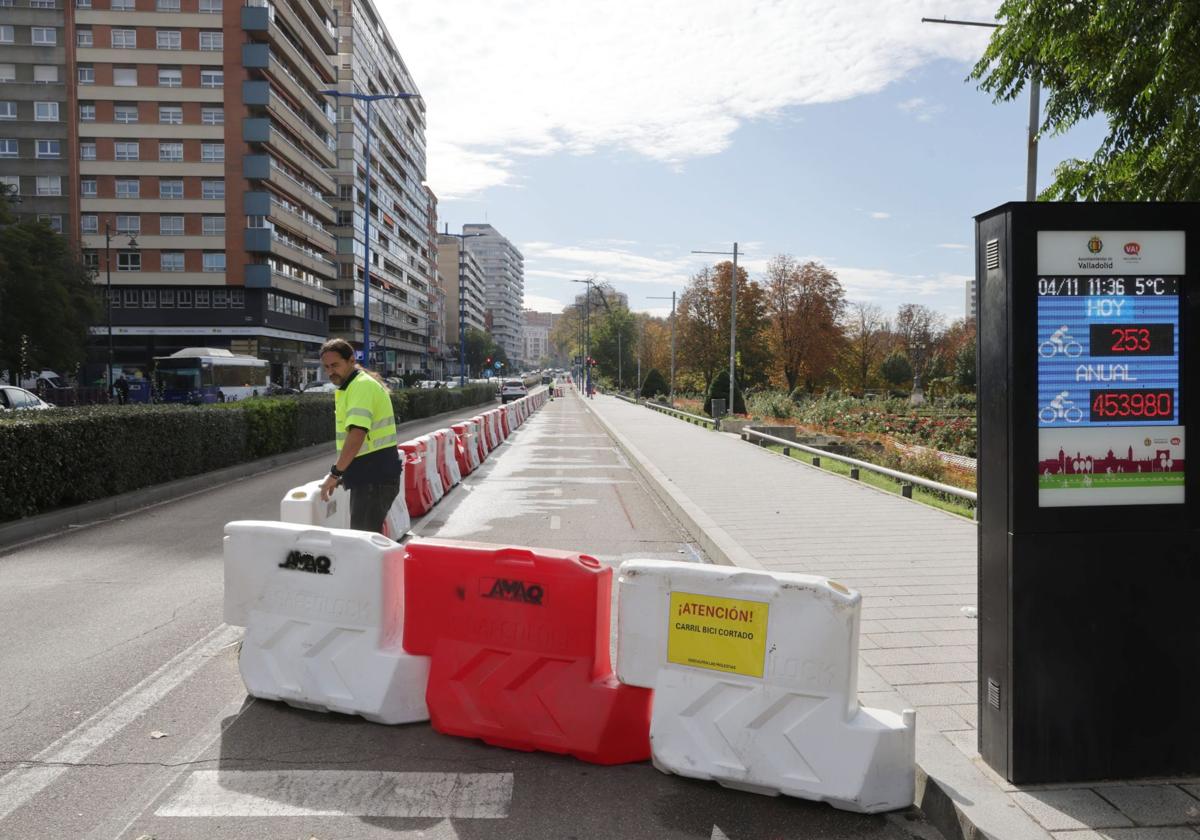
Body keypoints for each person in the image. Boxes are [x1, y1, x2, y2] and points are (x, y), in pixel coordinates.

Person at [318, 338, 402, 533]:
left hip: (373, 479)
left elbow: (357, 434)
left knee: (362, 544)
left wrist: (335, 473)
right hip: (372, 477)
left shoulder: (360, 386)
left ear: (351, 360)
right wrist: (343, 472)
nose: (330, 372)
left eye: (335, 365)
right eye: (326, 367)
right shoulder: (354, 385)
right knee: (366, 542)